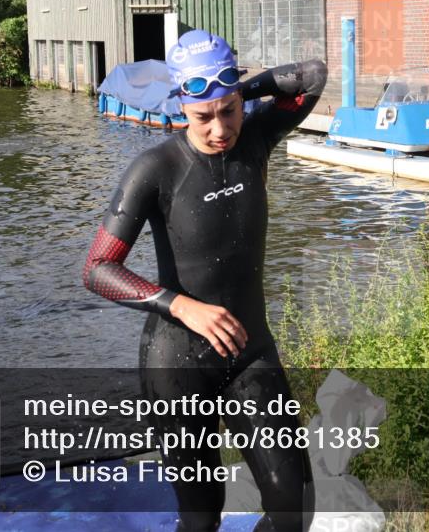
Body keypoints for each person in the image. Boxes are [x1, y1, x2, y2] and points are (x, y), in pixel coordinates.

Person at [83, 29, 327, 531]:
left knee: (295, 506)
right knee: (201, 518)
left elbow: (313, 75)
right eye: (203, 116)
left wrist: (237, 89)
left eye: (229, 110)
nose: (219, 129)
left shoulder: (257, 138)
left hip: (250, 352)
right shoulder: (154, 169)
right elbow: (97, 269)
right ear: (179, 108)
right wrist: (180, 305)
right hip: (177, 362)